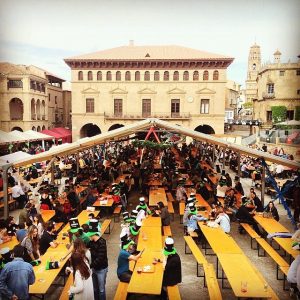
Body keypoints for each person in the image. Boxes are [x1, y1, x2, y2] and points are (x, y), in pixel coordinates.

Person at [86, 219, 108, 300]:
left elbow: (100, 258)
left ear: (93, 234)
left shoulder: (102, 242)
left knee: (101, 290)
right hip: (94, 269)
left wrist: (88, 266)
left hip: (102, 269)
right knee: (95, 289)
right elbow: (85, 247)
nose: (89, 236)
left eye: (90, 235)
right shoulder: (91, 242)